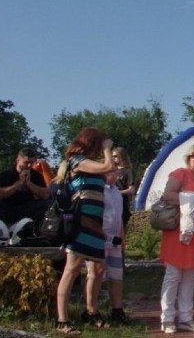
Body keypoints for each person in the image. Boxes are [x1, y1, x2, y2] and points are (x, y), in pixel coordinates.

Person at [55, 128, 115, 335]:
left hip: (95, 225)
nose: (101, 148)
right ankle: (62, 319)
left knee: (98, 269)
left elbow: (109, 172)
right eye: (98, 145)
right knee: (72, 269)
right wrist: (108, 149)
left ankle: (91, 311)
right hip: (80, 222)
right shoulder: (77, 161)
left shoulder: (90, 165)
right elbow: (108, 166)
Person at [158, 143, 194, 333]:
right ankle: (167, 317)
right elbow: (167, 195)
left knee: (190, 276)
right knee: (173, 275)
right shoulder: (180, 174)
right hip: (178, 232)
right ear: (188, 157)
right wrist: (192, 200)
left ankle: (185, 316)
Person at [83, 167, 130, 326]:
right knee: (96, 274)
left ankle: (117, 309)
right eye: (111, 171)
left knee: (116, 275)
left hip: (115, 239)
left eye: (116, 171)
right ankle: (91, 310)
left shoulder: (116, 191)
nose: (115, 174)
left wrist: (122, 235)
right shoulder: (97, 190)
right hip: (99, 238)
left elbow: (119, 214)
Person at [0, 147, 49, 227]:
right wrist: (19, 184)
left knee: (47, 204)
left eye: (32, 163)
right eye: (26, 162)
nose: (29, 165)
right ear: (18, 160)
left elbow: (45, 195)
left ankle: (35, 230)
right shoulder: (6, 174)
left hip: (27, 207)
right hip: (8, 206)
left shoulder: (36, 175)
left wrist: (29, 183)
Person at [111, 147, 136, 230]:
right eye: (112, 156)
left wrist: (116, 192)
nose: (113, 158)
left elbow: (131, 190)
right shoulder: (111, 171)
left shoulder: (128, 171)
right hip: (110, 204)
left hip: (122, 204)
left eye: (115, 156)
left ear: (121, 156)